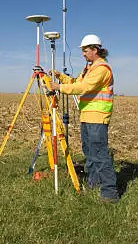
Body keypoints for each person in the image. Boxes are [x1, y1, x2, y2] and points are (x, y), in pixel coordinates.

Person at [50, 34, 120, 203]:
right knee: (89, 152)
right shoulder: (89, 68)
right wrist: (61, 77)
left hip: (98, 116)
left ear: (95, 50)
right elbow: (76, 82)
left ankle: (110, 193)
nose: (83, 54)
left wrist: (59, 87)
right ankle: (94, 183)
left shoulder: (102, 68)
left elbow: (84, 87)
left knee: (100, 154)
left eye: (85, 50)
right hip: (87, 115)